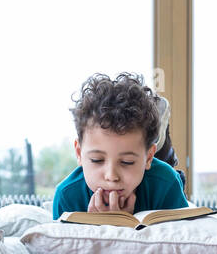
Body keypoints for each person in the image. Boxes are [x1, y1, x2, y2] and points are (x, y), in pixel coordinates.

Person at [52, 72, 188, 219]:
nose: (111, 176)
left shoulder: (167, 184)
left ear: (149, 157)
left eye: (126, 162)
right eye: (97, 160)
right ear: (79, 153)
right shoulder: (66, 196)